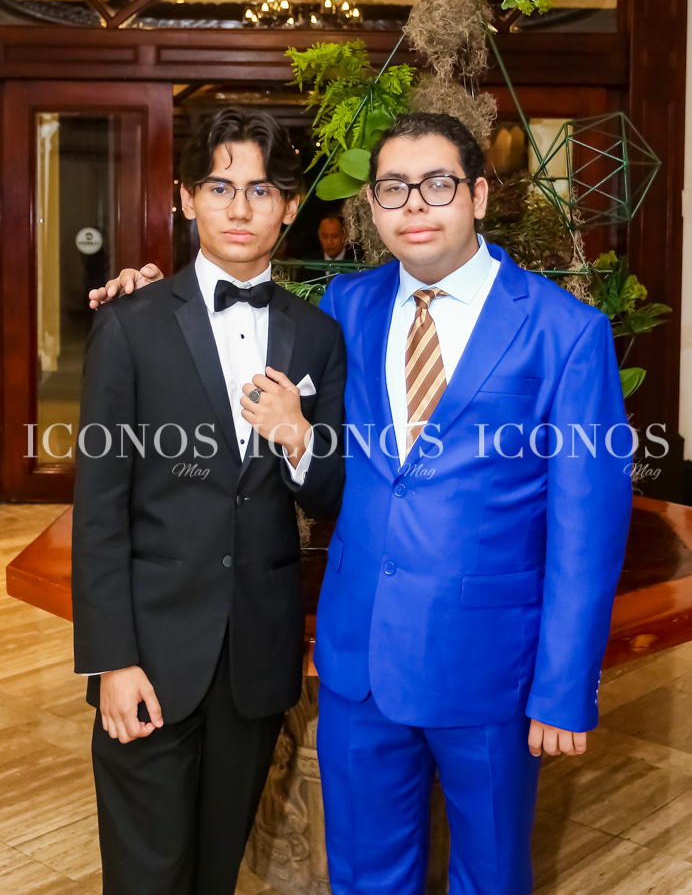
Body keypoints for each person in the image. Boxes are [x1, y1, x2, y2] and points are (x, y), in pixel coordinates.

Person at [90, 112, 632, 895]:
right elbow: (221, 316)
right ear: (370, 205)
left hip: (491, 671)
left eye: (437, 184)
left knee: (491, 876)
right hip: (359, 665)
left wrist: (564, 686)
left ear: (479, 196)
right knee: (363, 878)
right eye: (393, 188)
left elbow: (588, 532)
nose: (414, 204)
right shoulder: (347, 306)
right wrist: (142, 294)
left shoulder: (567, 332)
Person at [72, 107, 346, 895]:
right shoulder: (129, 326)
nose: (239, 208)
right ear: (187, 198)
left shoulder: (317, 336)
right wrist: (112, 660)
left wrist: (298, 437)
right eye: (220, 187)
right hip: (150, 652)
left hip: (256, 655)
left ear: (290, 206)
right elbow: (100, 511)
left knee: (215, 870)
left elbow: (330, 492)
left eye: (260, 191)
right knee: (146, 873)